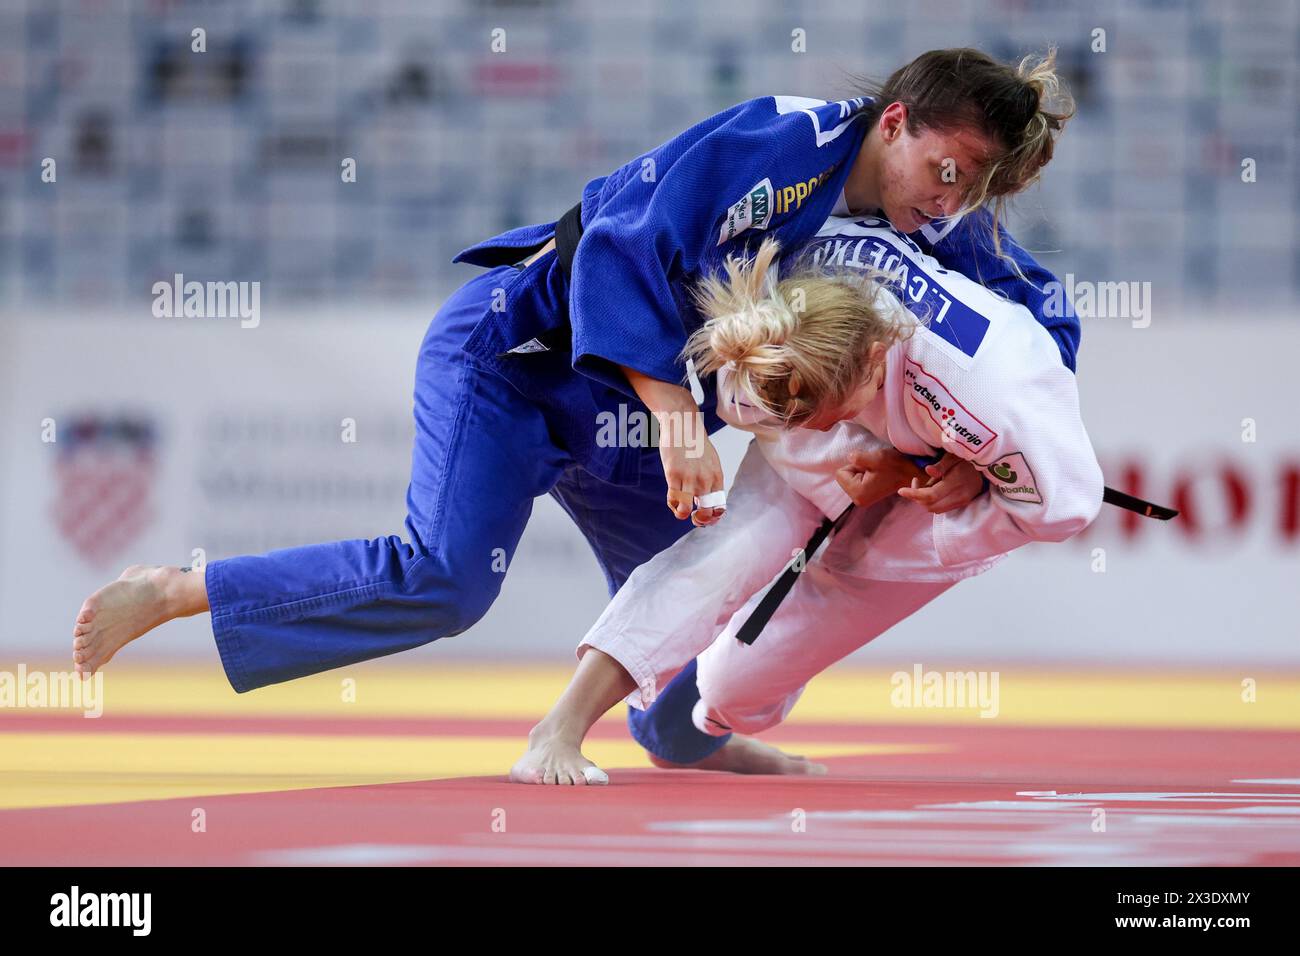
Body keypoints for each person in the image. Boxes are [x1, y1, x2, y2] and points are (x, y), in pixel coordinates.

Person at [72, 47, 1077, 775]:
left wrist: (967, 454)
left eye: (971, 185)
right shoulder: (782, 140)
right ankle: (181, 589)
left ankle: (684, 739)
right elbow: (615, 243)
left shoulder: (928, 223)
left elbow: (1036, 314)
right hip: (514, 359)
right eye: (944, 170)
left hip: (632, 420)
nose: (949, 202)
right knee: (447, 582)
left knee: (695, 611)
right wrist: (677, 419)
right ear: (893, 120)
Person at [510, 217, 1103, 785]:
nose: (820, 430)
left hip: (932, 499)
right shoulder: (760, 352)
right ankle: (558, 726)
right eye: (805, 419)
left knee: (730, 691)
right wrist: (826, 439)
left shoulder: (991, 380)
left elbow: (1067, 505)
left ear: (875, 362)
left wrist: (961, 477)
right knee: (720, 560)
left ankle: (725, 700)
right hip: (832, 447)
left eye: (830, 416)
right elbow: (797, 419)